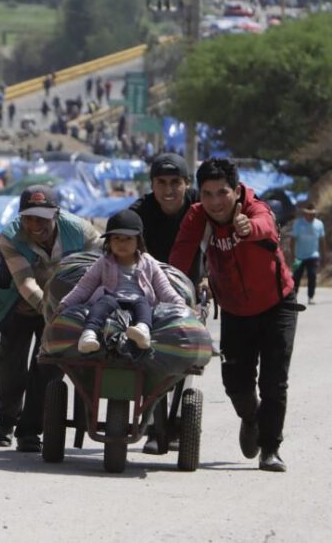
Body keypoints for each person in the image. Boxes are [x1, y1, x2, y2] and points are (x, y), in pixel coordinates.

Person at [170, 158, 298, 472]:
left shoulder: (256, 208)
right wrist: (170, 290)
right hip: (235, 310)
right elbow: (180, 256)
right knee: (235, 383)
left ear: (237, 190)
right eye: (208, 193)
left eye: (222, 193)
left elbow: (266, 226)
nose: (215, 201)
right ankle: (251, 417)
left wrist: (248, 227)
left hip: (276, 304)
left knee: (274, 382)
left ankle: (270, 449)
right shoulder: (197, 216)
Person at [0, 186, 101, 452]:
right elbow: (25, 281)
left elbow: (102, 265)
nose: (34, 225)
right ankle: (4, 422)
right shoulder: (10, 237)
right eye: (28, 218)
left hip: (65, 303)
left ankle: (30, 430)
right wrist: (46, 307)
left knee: (48, 366)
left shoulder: (82, 232)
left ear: (56, 214)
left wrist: (66, 310)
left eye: (42, 218)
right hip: (22, 303)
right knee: (10, 366)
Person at [128, 153, 199, 454]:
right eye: (161, 183)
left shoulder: (200, 207)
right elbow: (120, 234)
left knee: (180, 360)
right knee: (148, 357)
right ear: (152, 185)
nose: (168, 190)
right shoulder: (140, 212)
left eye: (175, 183)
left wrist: (208, 279)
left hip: (188, 293)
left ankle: (165, 424)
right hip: (147, 294)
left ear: (186, 184)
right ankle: (154, 426)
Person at [56, 210, 185, 354]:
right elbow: (84, 287)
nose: (122, 243)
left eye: (128, 238)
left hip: (138, 302)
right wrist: (65, 304)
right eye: (116, 238)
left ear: (138, 241)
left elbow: (164, 289)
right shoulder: (103, 262)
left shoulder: (148, 263)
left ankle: (142, 330)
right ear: (109, 242)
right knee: (103, 303)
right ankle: (89, 334)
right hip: (112, 300)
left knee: (143, 303)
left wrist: (181, 306)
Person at [288, 202, 325, 306]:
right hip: (299, 255)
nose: (312, 215)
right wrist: (293, 254)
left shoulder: (319, 224)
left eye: (313, 214)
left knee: (312, 276)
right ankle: (293, 297)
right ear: (305, 214)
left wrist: (324, 255)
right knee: (296, 278)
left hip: (313, 255)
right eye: (309, 213)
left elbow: (322, 240)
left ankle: (311, 297)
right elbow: (293, 240)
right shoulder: (298, 223)